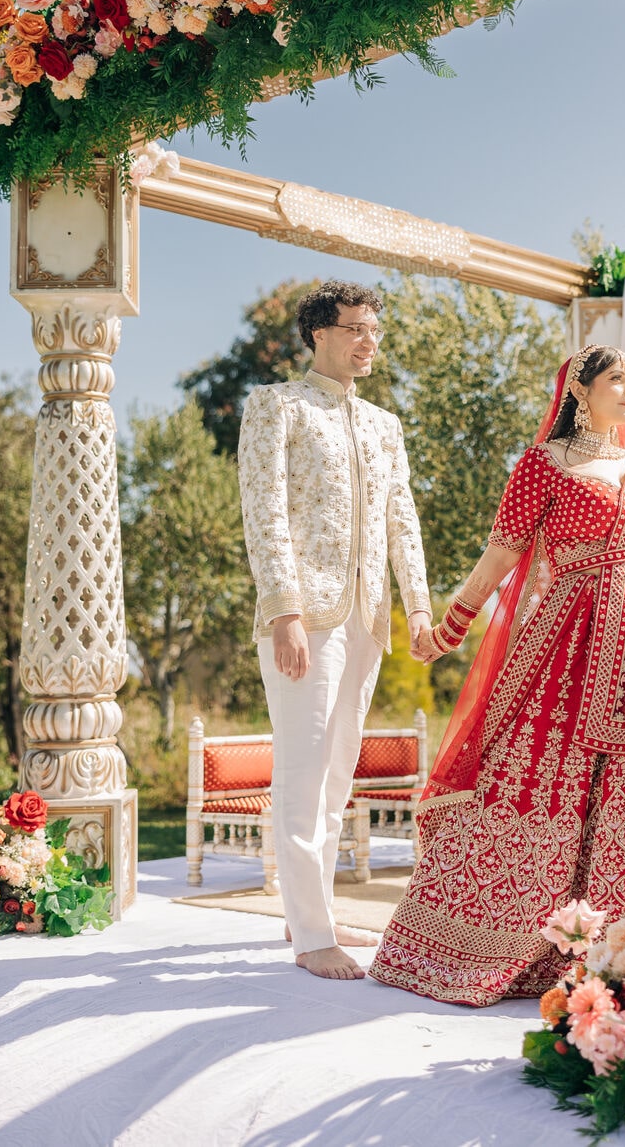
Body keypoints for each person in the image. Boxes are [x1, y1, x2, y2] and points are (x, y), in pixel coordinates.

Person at [369, 345, 625, 1006]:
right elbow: (501, 555)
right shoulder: (542, 465)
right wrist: (450, 627)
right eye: (615, 379)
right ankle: (523, 942)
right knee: (541, 770)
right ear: (579, 390)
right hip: (570, 640)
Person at [238, 281, 432, 981]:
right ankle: (312, 935)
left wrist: (419, 609)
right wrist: (283, 611)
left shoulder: (384, 425)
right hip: (304, 616)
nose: (368, 342)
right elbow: (264, 510)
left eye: (374, 330)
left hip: (366, 616)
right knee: (303, 768)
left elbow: (402, 519)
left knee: (337, 773)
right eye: (355, 329)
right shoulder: (276, 405)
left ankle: (309, 911)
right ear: (319, 333)